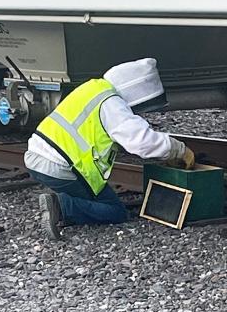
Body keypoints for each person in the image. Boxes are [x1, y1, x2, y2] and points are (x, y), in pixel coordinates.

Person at [24, 58, 195, 240]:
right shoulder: (112, 103)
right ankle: (61, 206)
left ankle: (65, 203)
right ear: (137, 92)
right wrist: (178, 149)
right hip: (60, 167)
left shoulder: (93, 88)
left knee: (101, 201)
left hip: (37, 155)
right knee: (115, 211)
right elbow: (141, 141)